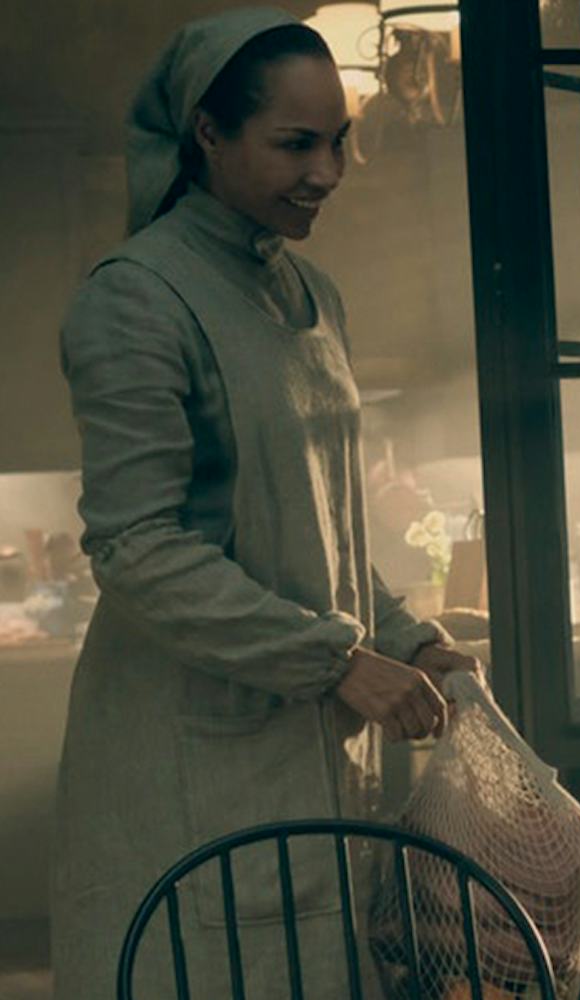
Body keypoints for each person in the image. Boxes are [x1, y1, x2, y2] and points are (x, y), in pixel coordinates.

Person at [51, 8, 480, 998]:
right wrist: (336, 660)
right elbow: (136, 547)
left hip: (308, 745)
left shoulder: (315, 295)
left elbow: (323, 520)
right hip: (188, 749)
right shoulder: (135, 298)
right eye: (295, 144)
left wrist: (408, 636)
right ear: (207, 132)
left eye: (339, 142)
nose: (327, 172)